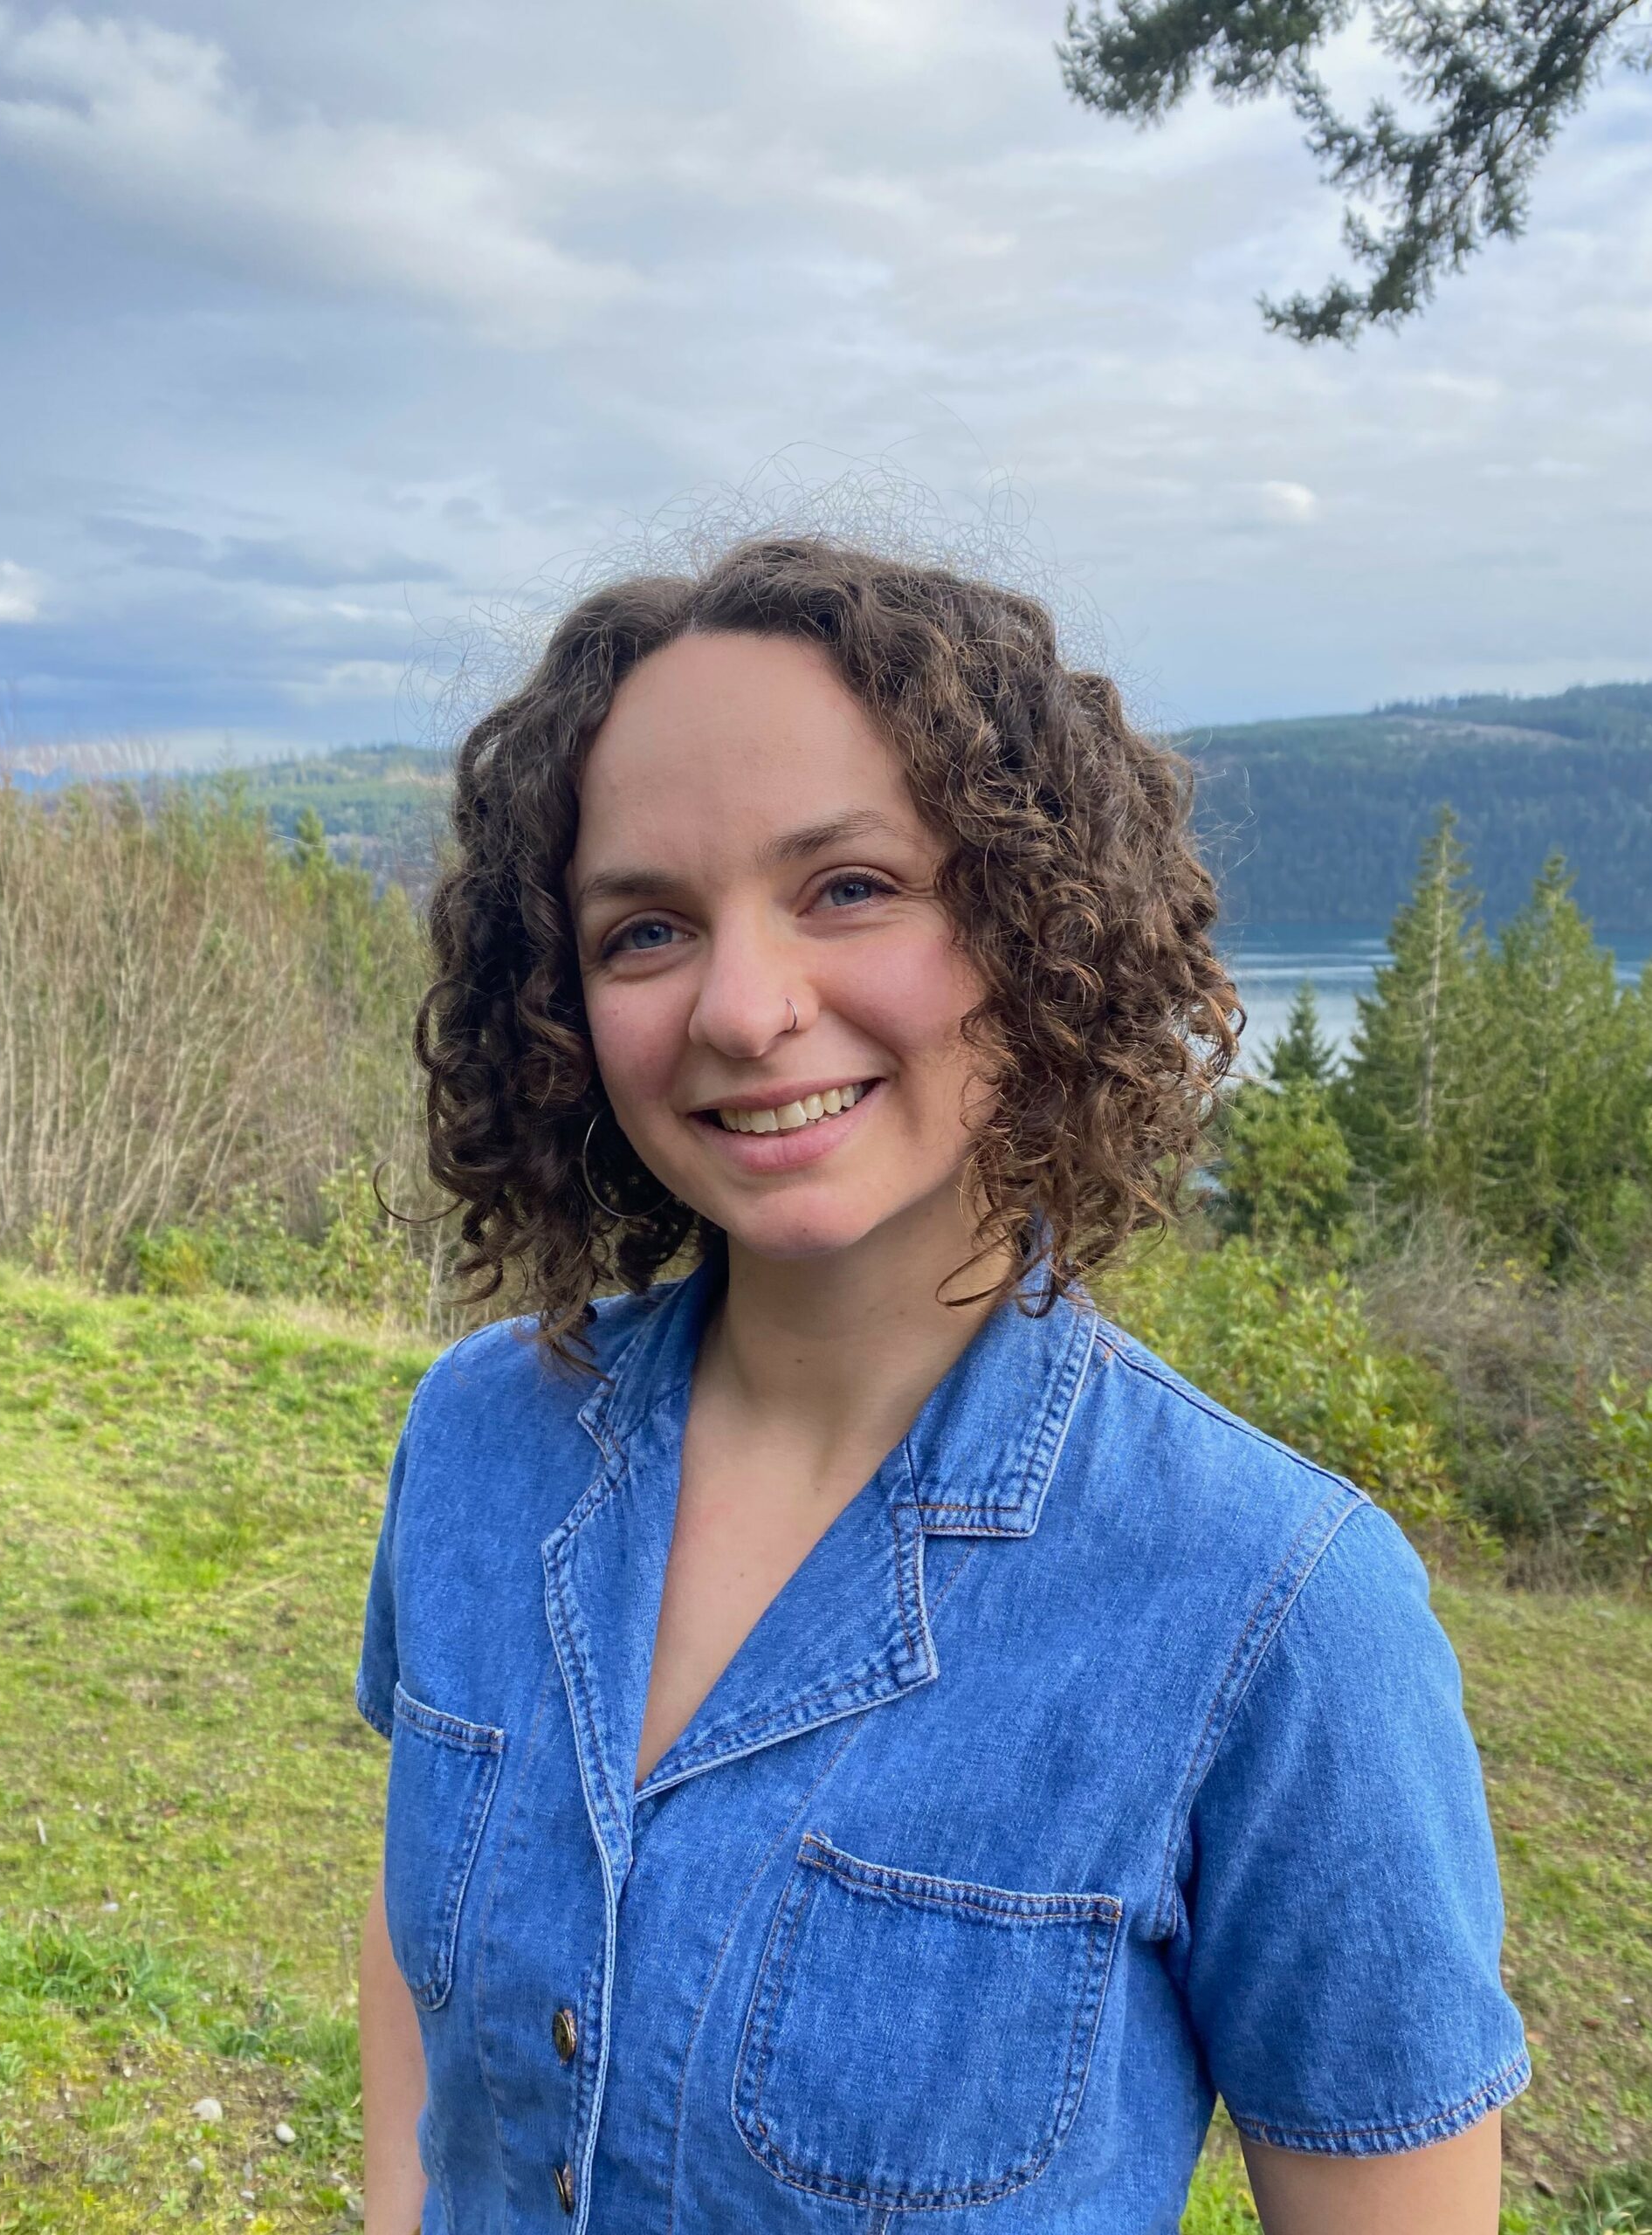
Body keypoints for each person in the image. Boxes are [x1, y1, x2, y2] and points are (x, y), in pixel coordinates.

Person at [355, 537, 1527, 2234]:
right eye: (647, 928)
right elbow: (418, 1947)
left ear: (1037, 920)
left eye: (848, 886)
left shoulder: (1276, 1612)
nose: (745, 1009)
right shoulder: (477, 1434)